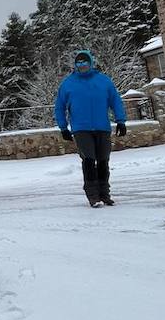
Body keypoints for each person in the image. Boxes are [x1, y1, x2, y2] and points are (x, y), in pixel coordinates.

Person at [54, 49, 128, 207]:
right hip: (81, 129)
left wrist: (121, 120)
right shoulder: (68, 84)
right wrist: (63, 127)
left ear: (91, 62)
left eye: (85, 62)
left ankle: (104, 193)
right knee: (88, 160)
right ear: (75, 65)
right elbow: (59, 107)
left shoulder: (103, 81)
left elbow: (115, 101)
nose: (82, 65)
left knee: (103, 161)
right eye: (79, 63)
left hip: (102, 126)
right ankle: (93, 195)